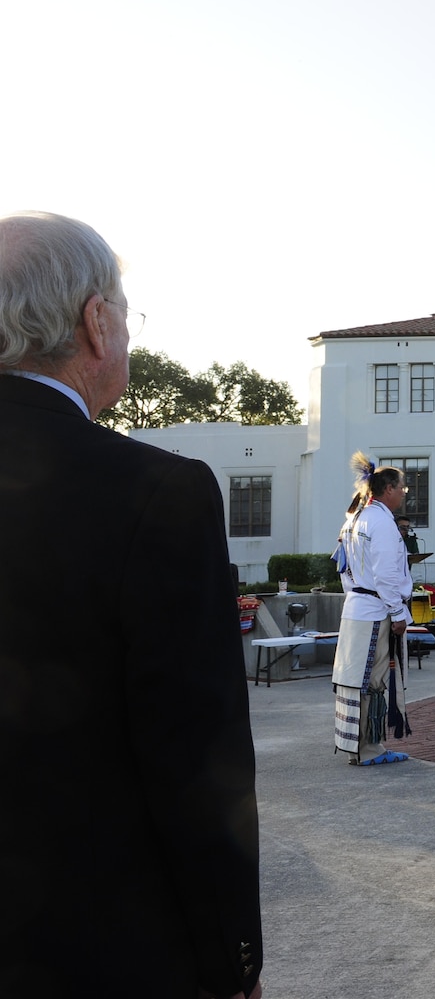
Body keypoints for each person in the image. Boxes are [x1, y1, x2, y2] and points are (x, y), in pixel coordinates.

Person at [0, 211, 262, 997]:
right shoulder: (156, 493)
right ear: (97, 321)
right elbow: (194, 758)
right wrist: (232, 958)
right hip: (99, 946)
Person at [333, 452, 415, 766]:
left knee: (354, 678)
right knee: (372, 680)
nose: (404, 493)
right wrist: (396, 613)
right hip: (374, 612)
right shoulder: (381, 522)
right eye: (402, 488)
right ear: (388, 489)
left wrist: (354, 594)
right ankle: (369, 749)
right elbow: (386, 574)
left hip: (356, 607)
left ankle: (359, 746)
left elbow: (342, 566)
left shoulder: (353, 518)